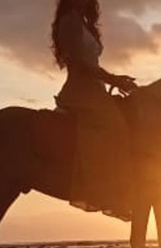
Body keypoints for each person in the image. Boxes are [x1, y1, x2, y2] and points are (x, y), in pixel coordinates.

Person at [51, 0, 137, 220]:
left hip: (96, 90)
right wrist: (113, 79)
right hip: (81, 91)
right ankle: (112, 196)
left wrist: (113, 80)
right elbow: (79, 64)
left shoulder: (84, 22)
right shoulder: (69, 21)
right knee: (117, 126)